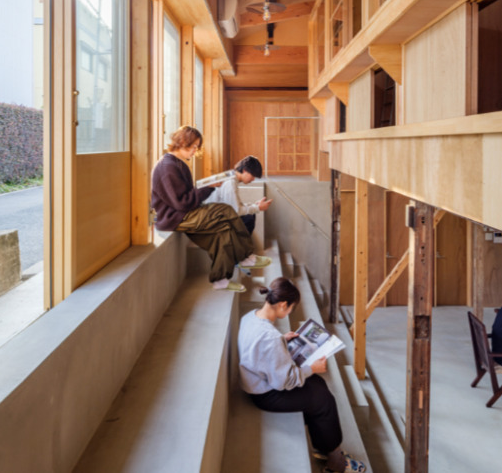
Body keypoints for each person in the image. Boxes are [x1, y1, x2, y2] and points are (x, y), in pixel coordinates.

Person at [238, 277, 366, 473]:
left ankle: (324, 446)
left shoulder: (250, 316)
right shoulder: (270, 338)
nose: (290, 311)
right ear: (283, 305)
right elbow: (285, 382)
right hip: (266, 394)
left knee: (318, 386)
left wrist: (283, 340)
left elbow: (258, 349)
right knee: (324, 400)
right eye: (291, 308)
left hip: (257, 380)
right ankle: (336, 464)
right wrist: (311, 368)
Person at [151, 126, 271, 292]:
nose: (195, 151)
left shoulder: (178, 164)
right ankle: (245, 256)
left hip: (184, 214)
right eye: (194, 147)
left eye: (197, 147)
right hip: (176, 217)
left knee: (223, 232)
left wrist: (207, 187)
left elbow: (186, 196)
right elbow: (181, 203)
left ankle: (220, 280)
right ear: (182, 142)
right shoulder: (167, 167)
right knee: (225, 210)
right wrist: (209, 187)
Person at [202, 155, 272, 234]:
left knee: (250, 215)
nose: (253, 179)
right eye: (252, 176)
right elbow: (236, 211)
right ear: (245, 170)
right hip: (211, 219)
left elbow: (234, 205)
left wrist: (254, 205)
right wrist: (258, 208)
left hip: (215, 214)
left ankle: (240, 241)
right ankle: (239, 242)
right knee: (248, 218)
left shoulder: (229, 175)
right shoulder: (230, 183)